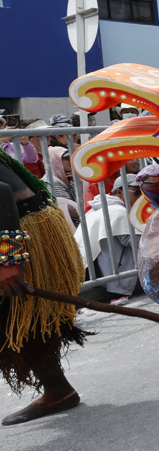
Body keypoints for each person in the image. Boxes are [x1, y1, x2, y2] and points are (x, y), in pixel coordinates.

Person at [0, 150, 88, 425]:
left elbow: (1, 193)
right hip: (24, 224)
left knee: (22, 319)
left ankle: (57, 390)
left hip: (21, 231)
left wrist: (10, 260)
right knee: (24, 321)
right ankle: (58, 390)